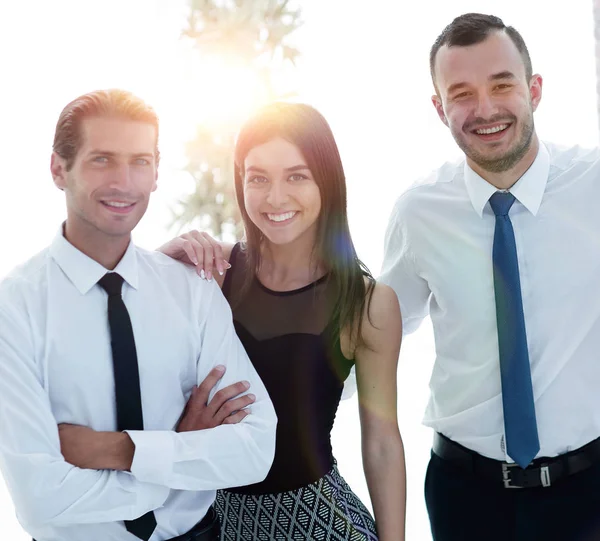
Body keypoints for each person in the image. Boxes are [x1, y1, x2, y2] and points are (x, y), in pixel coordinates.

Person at [0, 89, 277, 541]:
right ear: (58, 169)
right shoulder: (14, 308)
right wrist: (178, 456)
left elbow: (254, 449)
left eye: (140, 162)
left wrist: (122, 450)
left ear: (156, 174)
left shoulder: (192, 291)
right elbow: (39, 495)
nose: (124, 182)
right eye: (102, 160)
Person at [380, 12, 600, 541]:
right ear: (439, 108)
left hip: (589, 492)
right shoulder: (418, 213)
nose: (484, 109)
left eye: (501, 85)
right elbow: (371, 338)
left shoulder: (594, 186)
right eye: (461, 93)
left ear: (535, 89)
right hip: (465, 496)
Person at [159, 102, 406, 541]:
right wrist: (162, 260)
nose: (275, 198)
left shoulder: (367, 304)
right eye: (258, 178)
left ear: (326, 181)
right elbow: (129, 360)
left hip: (319, 525)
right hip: (217, 523)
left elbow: (382, 443)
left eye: (296, 175)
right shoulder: (214, 276)